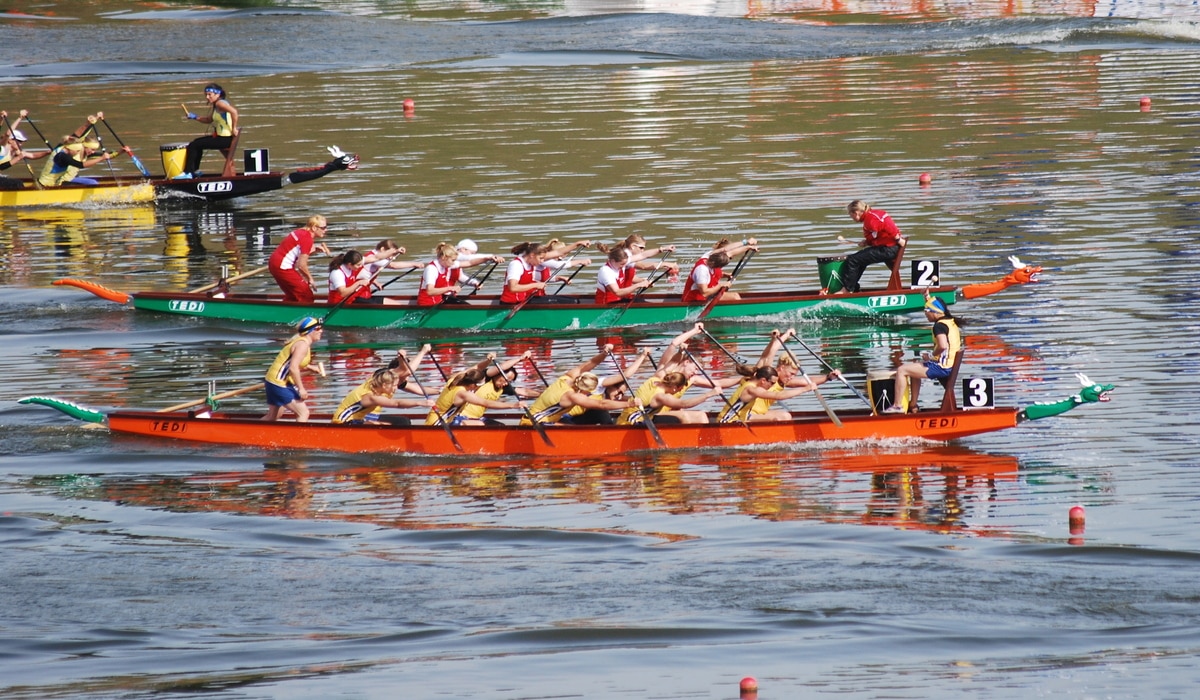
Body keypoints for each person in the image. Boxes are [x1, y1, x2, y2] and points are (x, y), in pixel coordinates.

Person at [885, 296, 964, 413]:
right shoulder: (950, 321)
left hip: (942, 367)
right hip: (949, 365)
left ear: (935, 312)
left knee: (902, 370)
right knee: (914, 366)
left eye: (926, 311)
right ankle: (913, 405)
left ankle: (897, 406)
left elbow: (942, 346)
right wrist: (926, 296)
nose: (925, 314)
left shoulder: (939, 326)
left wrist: (931, 356)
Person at [520, 344, 633, 425]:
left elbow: (592, 363)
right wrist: (629, 404)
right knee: (575, 432)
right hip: (534, 424)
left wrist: (604, 353)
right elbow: (601, 404)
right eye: (589, 392)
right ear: (585, 390)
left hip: (531, 418)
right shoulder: (572, 396)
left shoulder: (566, 378)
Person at [716, 365, 831, 423]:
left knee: (782, 416)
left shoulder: (751, 382)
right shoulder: (752, 389)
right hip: (727, 423)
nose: (772, 386)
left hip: (741, 419)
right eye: (772, 383)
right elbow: (778, 396)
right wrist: (805, 389)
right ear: (763, 381)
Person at [263, 317, 324, 423]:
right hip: (279, 382)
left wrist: (310, 367)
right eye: (318, 328)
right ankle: (299, 439)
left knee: (272, 417)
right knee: (303, 413)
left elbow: (294, 362)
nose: (321, 331)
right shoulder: (302, 345)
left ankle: (250, 436)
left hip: (273, 380)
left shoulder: (303, 342)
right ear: (310, 331)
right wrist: (301, 389)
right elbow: (293, 368)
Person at [425, 362, 526, 427]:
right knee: (479, 425)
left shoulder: (454, 380)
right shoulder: (463, 394)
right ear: (473, 385)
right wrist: (513, 405)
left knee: (494, 425)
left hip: (437, 420)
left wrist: (488, 360)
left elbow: (476, 367)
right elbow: (486, 403)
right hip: (437, 424)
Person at [837, 199, 905, 294]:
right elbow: (878, 234)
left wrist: (898, 239)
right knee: (860, 261)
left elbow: (885, 225)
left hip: (888, 249)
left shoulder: (870, 218)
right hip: (887, 247)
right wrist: (867, 242)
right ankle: (854, 289)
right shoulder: (872, 215)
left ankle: (846, 290)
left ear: (856, 213)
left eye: (850, 214)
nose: (850, 217)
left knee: (852, 260)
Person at [177, 83, 239, 179]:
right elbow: (208, 120)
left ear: (217, 94)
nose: (207, 97)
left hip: (224, 139)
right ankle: (195, 171)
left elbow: (234, 112)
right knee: (197, 143)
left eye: (210, 94)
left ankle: (188, 172)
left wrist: (234, 128)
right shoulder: (217, 104)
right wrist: (195, 117)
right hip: (221, 138)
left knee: (193, 145)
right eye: (206, 94)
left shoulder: (220, 103)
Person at [332, 368, 433, 425]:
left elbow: (400, 371)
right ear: (384, 385)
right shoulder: (370, 397)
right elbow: (396, 404)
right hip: (342, 423)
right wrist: (420, 403)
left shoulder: (375, 381)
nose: (395, 389)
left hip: (357, 420)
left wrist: (401, 359)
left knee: (400, 422)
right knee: (380, 425)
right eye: (394, 385)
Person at [618, 371, 722, 425]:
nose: (678, 392)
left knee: (693, 414)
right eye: (679, 389)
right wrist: (709, 394)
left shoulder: (654, 380)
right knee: (685, 416)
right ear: (674, 387)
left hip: (626, 418)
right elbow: (684, 404)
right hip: (632, 423)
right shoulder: (661, 396)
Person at [269, 215, 331, 303]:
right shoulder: (307, 239)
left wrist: (313, 251)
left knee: (293, 294)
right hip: (283, 267)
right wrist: (310, 279)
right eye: (323, 228)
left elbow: (294, 253)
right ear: (314, 228)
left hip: (274, 263)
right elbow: (301, 265)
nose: (325, 230)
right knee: (306, 294)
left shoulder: (300, 231)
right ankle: (305, 314)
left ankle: (283, 312)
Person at [681, 237, 758, 303]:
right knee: (735, 297)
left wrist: (746, 245)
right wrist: (721, 285)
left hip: (709, 297)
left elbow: (727, 250)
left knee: (734, 296)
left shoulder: (710, 256)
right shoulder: (701, 270)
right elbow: (704, 293)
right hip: (694, 300)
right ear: (716, 265)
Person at [327, 249, 405, 306]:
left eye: (361, 264)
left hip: (352, 300)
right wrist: (358, 283)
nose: (361, 266)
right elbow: (343, 293)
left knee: (395, 304)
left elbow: (376, 258)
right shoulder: (337, 273)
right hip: (339, 304)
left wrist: (394, 251)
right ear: (350, 264)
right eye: (358, 265)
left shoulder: (355, 262)